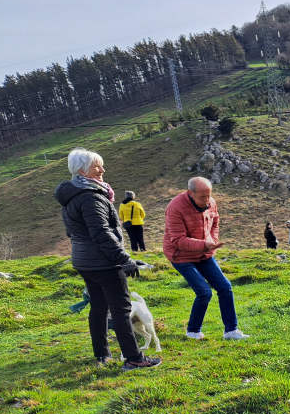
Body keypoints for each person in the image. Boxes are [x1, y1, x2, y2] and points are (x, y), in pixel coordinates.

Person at [55, 148, 159, 370]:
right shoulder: (91, 197)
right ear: (83, 171)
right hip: (103, 262)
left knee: (99, 306)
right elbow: (101, 233)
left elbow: (71, 232)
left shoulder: (72, 196)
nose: (102, 169)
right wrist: (125, 259)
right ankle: (134, 358)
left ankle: (102, 355)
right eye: (96, 166)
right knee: (121, 309)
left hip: (84, 261)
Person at [163, 176, 249, 341]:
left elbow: (215, 222)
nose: (207, 200)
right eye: (203, 196)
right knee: (204, 292)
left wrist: (213, 240)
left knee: (225, 287)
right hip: (181, 256)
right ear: (190, 193)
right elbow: (178, 240)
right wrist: (205, 244)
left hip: (204, 253)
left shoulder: (211, 203)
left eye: (209, 195)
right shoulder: (175, 207)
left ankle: (231, 331)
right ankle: (193, 331)